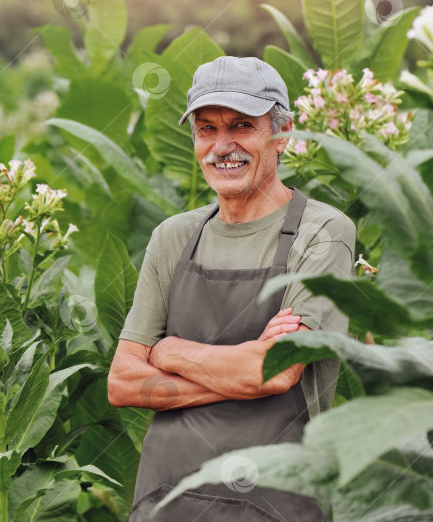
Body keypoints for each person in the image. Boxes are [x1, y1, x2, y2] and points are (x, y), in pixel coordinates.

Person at [107, 56, 356, 521]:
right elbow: (122, 383)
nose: (222, 146)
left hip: (274, 504)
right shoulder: (174, 237)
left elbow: (277, 373)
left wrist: (171, 352)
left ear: (282, 135)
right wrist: (243, 368)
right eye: (206, 129)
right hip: (166, 500)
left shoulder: (322, 232)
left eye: (242, 125)